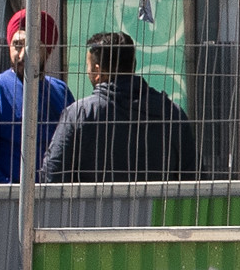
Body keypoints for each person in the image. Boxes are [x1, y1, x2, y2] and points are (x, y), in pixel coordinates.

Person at [38, 32, 199, 181]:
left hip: (90, 211)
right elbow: (193, 177)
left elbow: (52, 175)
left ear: (97, 71)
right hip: (158, 211)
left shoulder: (79, 114)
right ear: (133, 64)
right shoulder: (171, 113)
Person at [0, 10, 73, 186]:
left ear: (47, 50)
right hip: (7, 203)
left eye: (32, 45)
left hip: (55, 199)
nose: (23, 54)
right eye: (17, 44)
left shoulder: (59, 91)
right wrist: (11, 194)